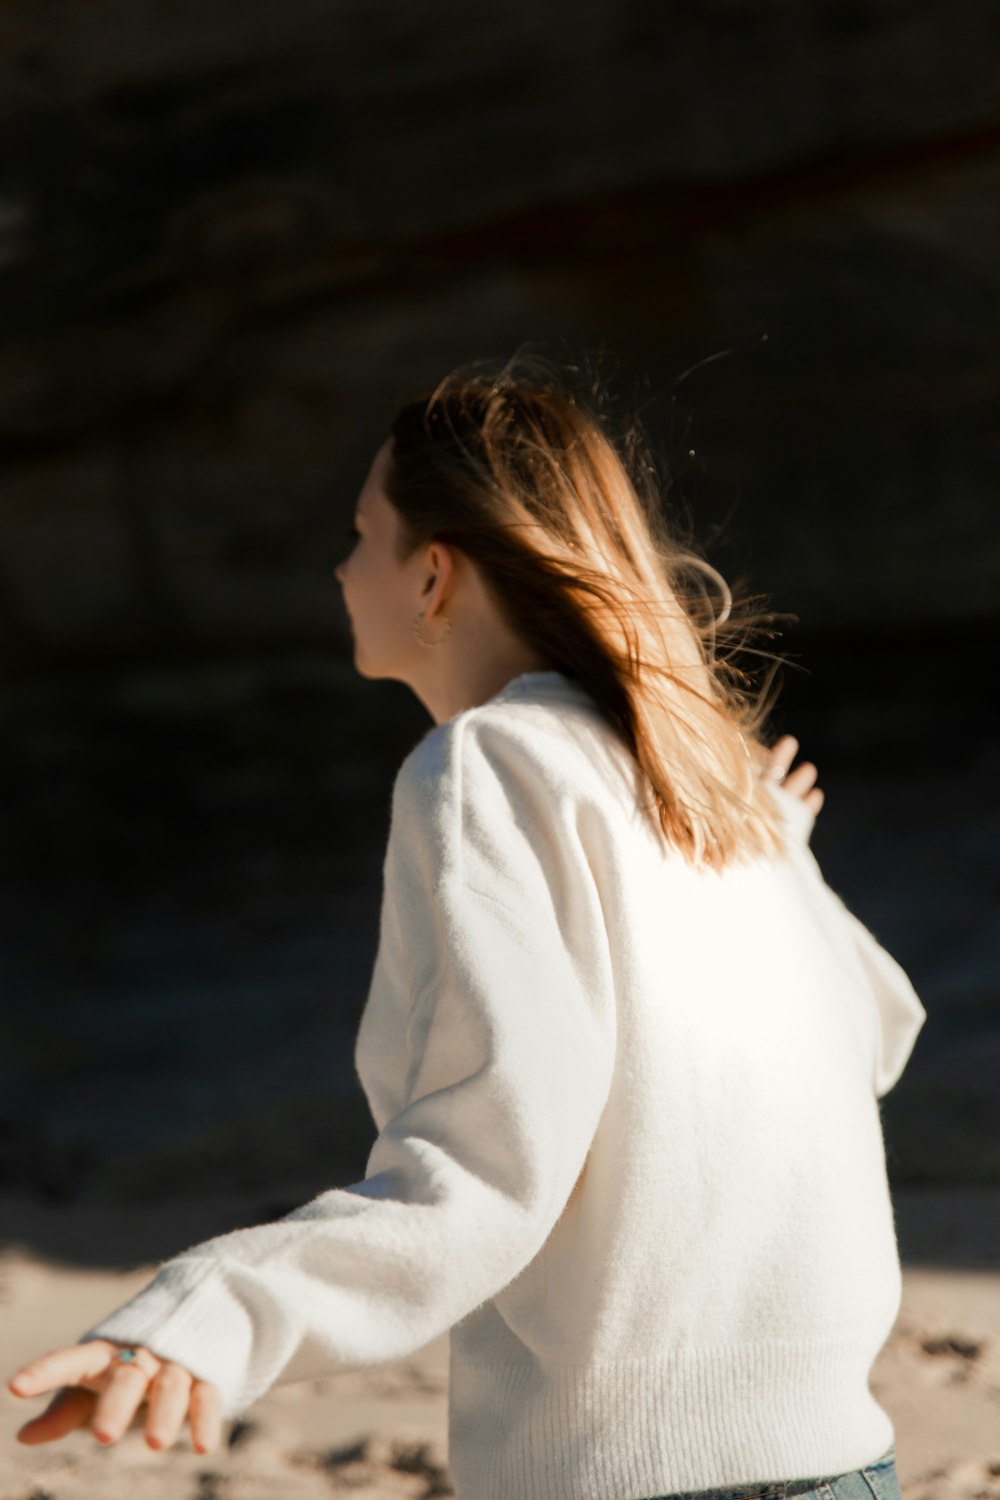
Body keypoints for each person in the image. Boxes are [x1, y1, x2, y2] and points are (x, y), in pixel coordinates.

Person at [7, 355, 925, 1500]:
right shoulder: (705, 784)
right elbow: (876, 1032)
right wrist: (783, 859)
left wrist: (203, 1320)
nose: (341, 570)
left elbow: (489, 1167)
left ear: (433, 575)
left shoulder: (490, 763)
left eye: (359, 533)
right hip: (849, 1466)